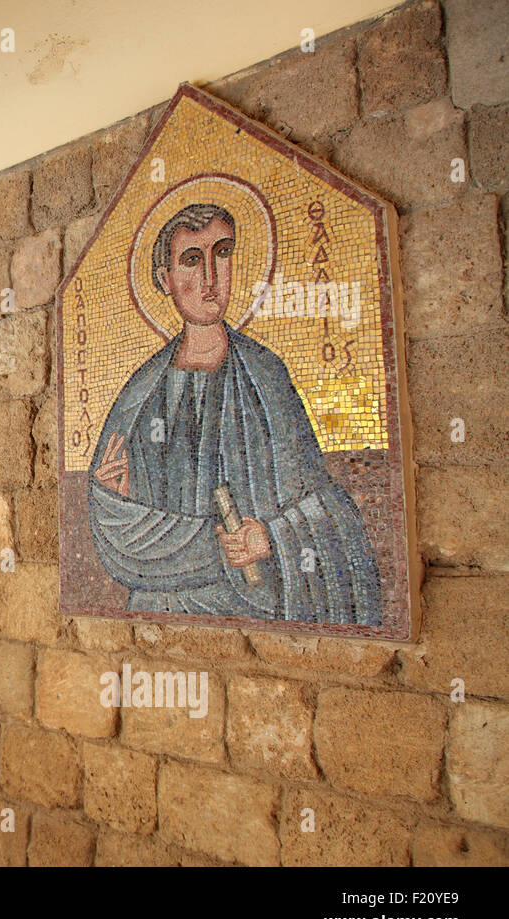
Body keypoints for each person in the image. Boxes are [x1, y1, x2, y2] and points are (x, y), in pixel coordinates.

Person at [88, 202, 382, 625]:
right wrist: (110, 498)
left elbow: (327, 508)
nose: (210, 278)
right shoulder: (141, 394)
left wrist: (272, 537)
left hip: (255, 607)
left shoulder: (266, 376)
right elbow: (114, 521)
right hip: (159, 612)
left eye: (222, 253)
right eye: (191, 260)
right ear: (164, 279)